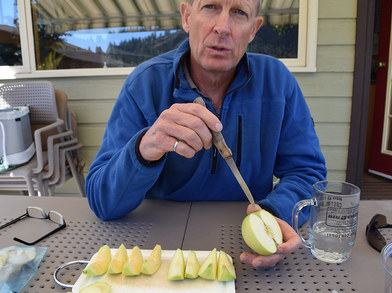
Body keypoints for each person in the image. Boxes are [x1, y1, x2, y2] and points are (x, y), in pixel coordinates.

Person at [86, 0, 326, 268]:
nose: (222, 27)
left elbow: (307, 173)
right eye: (210, 7)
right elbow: (102, 200)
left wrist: (273, 216)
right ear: (187, 16)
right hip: (157, 250)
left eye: (239, 12)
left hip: (245, 248)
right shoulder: (145, 84)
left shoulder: (277, 82)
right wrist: (143, 150)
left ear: (253, 29)